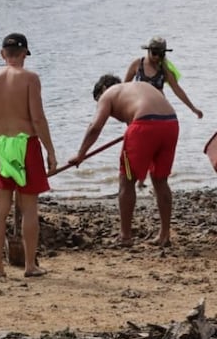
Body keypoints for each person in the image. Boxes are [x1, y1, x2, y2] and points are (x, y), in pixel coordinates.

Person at [70, 74, 179, 248]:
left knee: (126, 180)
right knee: (160, 180)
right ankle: (164, 234)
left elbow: (95, 126)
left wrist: (81, 154)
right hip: (170, 123)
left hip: (144, 125)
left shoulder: (108, 94)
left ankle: (125, 237)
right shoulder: (138, 86)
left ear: (103, 89)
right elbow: (154, 108)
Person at [0, 33, 57, 277]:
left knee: (0, 206)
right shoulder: (30, 78)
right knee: (29, 207)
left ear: (3, 54)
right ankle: (30, 266)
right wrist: (50, 151)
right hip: (25, 144)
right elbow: (37, 117)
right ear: (24, 53)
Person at [124, 36, 203, 119]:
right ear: (148, 50)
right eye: (154, 53)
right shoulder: (137, 64)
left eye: (161, 54)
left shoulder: (164, 69)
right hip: (139, 109)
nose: (157, 57)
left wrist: (193, 108)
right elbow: (124, 88)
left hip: (159, 110)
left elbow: (178, 90)